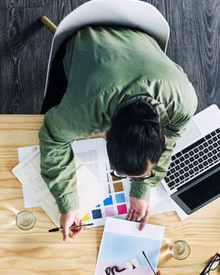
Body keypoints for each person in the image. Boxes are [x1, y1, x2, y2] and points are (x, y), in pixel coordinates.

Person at [39, 25, 198, 240]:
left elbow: (174, 133)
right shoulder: (83, 112)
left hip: (142, 32)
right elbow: (52, 136)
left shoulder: (185, 102)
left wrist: (143, 187)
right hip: (86, 38)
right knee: (45, 110)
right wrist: (68, 205)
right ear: (105, 135)